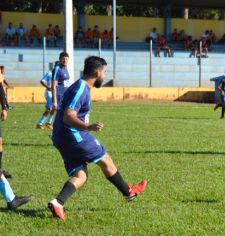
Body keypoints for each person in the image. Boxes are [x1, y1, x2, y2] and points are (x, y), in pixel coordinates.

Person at [48, 56, 147, 220]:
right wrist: (88, 127)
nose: (104, 76)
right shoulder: (80, 88)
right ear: (98, 72)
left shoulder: (80, 87)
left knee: (81, 176)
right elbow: (68, 116)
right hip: (73, 135)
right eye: (104, 72)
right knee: (105, 159)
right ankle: (128, 192)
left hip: (61, 137)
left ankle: (58, 203)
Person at [37, 62, 58, 130]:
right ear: (55, 66)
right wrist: (48, 87)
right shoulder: (49, 73)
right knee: (49, 109)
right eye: (57, 66)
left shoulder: (58, 74)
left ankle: (48, 123)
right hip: (49, 93)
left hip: (55, 93)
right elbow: (42, 81)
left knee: (54, 108)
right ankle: (39, 124)